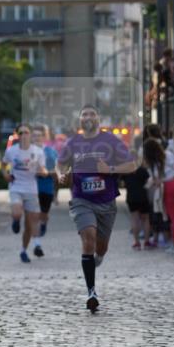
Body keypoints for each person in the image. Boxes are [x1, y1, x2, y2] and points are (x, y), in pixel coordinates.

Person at [56, 105, 136, 312]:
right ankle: (91, 292)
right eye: (84, 114)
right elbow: (60, 163)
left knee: (101, 247)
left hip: (106, 202)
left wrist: (109, 169)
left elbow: (131, 165)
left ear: (99, 119)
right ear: (80, 119)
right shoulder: (73, 142)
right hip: (81, 199)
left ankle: (98, 258)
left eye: (92, 114)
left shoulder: (110, 141)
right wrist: (61, 175)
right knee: (88, 237)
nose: (88, 117)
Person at [2, 124, 47, 263]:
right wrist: (5, 175)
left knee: (30, 224)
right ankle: (15, 221)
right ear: (17, 135)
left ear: (30, 135)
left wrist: (44, 173)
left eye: (26, 133)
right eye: (20, 133)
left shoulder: (38, 152)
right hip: (16, 187)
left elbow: (43, 169)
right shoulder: (11, 151)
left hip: (31, 190)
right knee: (17, 212)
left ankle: (26, 250)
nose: (23, 135)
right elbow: (3, 165)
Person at [31, 125, 58, 246]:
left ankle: (44, 223)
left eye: (39, 135)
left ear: (44, 136)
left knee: (44, 214)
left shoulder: (51, 152)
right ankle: (37, 243)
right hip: (31, 188)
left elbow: (57, 172)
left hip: (46, 187)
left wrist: (46, 173)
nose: (37, 138)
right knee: (34, 215)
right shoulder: (27, 151)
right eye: (34, 135)